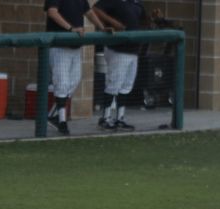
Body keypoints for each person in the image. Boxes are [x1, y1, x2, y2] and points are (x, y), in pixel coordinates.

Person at [43, 0, 106, 136]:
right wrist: (70, 29)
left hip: (75, 46)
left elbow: (88, 12)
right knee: (62, 83)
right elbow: (52, 13)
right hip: (59, 46)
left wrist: (101, 27)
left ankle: (53, 115)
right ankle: (61, 121)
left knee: (74, 81)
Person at [91, 0, 145, 130]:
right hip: (118, 49)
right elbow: (96, 9)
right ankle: (105, 118)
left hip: (133, 49)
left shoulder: (137, 3)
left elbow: (143, 21)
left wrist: (154, 18)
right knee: (114, 84)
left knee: (126, 85)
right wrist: (113, 22)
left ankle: (120, 118)